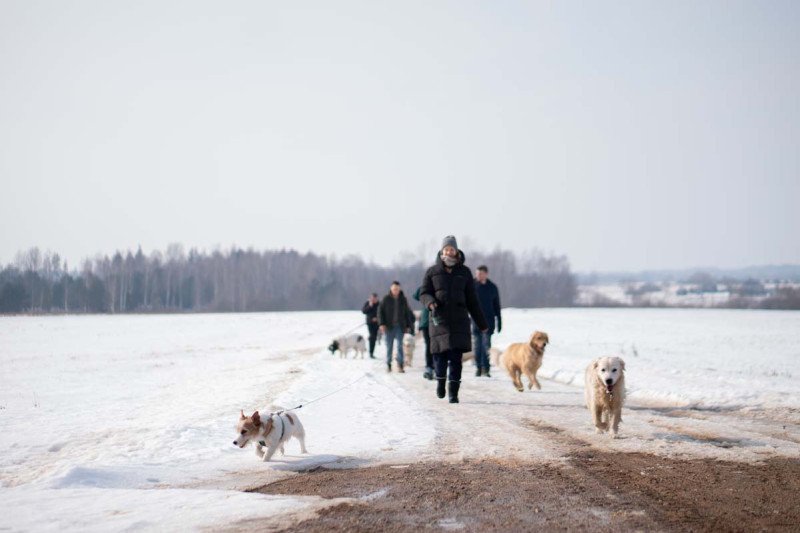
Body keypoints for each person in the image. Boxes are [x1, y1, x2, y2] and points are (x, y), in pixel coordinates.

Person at [419, 236, 488, 403]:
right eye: (446, 249)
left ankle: (454, 393)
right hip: (439, 320)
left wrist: (482, 324)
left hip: (459, 321)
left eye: (452, 249)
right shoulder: (432, 271)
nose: (449, 251)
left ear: (456, 251)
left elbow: (472, 300)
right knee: (440, 358)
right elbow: (424, 293)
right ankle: (441, 383)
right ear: (442, 251)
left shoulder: (464, 272)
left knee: (456, 359)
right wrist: (431, 303)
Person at [378, 281, 415, 373]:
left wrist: (408, 326)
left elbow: (407, 313)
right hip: (388, 326)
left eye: (397, 289)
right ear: (391, 289)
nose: (395, 291)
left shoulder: (403, 299)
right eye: (394, 289)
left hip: (400, 326)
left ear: (399, 289)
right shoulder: (386, 299)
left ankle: (400, 365)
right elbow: (380, 312)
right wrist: (382, 324)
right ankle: (388, 364)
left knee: (399, 346)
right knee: (389, 346)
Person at [472, 265, 502, 377]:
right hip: (475, 321)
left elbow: (497, 306)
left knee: (486, 345)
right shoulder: (472, 286)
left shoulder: (492, 287)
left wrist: (499, 321)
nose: (478, 276)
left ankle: (486, 368)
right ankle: (478, 367)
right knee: (477, 345)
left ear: (486, 274)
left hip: (488, 321)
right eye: (477, 274)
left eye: (480, 274)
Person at [413, 286, 433, 380]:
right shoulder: (424, 287)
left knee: (438, 346)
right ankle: (429, 367)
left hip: (440, 321)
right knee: (429, 345)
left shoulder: (441, 283)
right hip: (426, 321)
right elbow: (416, 296)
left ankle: (436, 367)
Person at [361, 293, 380, 358]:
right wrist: (370, 306)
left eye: (375, 299)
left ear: (377, 298)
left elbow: (382, 312)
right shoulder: (368, 303)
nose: (373, 300)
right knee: (373, 337)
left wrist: (377, 318)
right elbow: (363, 311)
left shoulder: (379, 304)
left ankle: (371, 350)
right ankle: (371, 353)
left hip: (378, 323)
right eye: (372, 298)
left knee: (374, 337)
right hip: (370, 323)